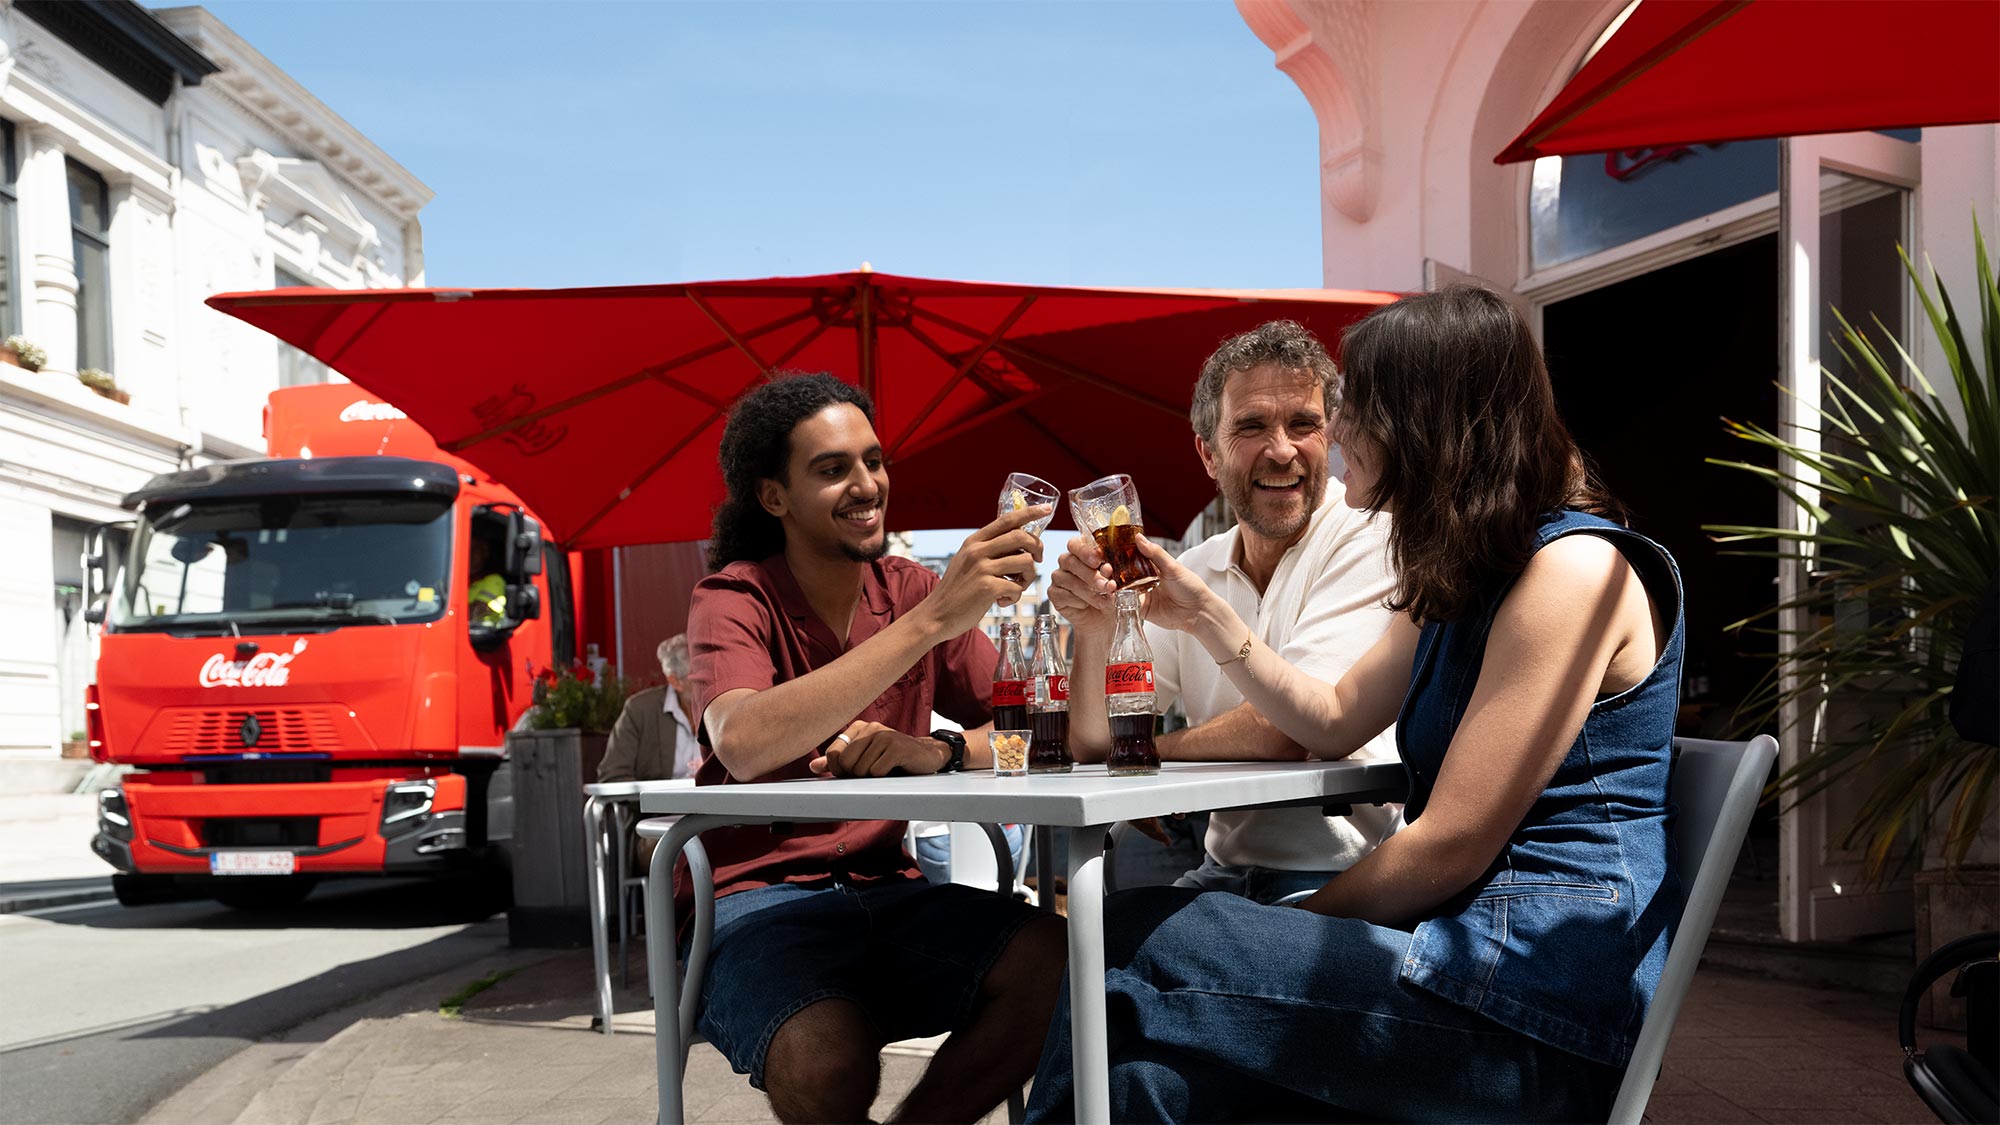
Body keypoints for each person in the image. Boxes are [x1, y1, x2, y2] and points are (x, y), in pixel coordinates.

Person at [1028, 285, 1684, 1123]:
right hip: (1451, 962)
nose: (1335, 435)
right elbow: (1333, 715)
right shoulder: (1464, 572)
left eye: (1354, 408)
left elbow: (1448, 843)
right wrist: (1202, 611)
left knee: (1129, 933)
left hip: (1528, 1014)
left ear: (1425, 421)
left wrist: (1283, 920)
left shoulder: (1572, 573)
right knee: (1141, 1084)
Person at [682, 372, 1067, 1124]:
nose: (867, 485)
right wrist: (929, 623)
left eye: (874, 460)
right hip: (756, 900)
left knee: (1060, 962)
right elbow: (745, 739)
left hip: (889, 888)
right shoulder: (735, 595)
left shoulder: (911, 586)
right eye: (833, 469)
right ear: (773, 497)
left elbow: (1034, 732)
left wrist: (943, 753)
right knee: (827, 1062)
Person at [1050, 320, 1398, 904]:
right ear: (1208, 454)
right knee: (1078, 957)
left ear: (1330, 438)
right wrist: (1093, 628)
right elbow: (1091, 739)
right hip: (1224, 876)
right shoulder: (1198, 564)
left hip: (1350, 880)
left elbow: (1291, 730)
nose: (1282, 450)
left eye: (1304, 424)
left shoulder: (1370, 539)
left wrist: (1147, 755)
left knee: (1110, 966)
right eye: (1252, 426)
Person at [599, 634, 700, 869]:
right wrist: (667, 801)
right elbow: (612, 775)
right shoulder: (640, 711)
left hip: (721, 819)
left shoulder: (721, 707)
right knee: (682, 850)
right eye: (699, 679)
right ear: (675, 681)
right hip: (663, 825)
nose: (709, 682)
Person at [465, 536, 506, 627]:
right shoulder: (462, 580)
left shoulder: (494, 580)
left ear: (485, 552)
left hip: (485, 634)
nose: (471, 553)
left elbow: (476, 612)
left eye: (476, 549)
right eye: (468, 548)